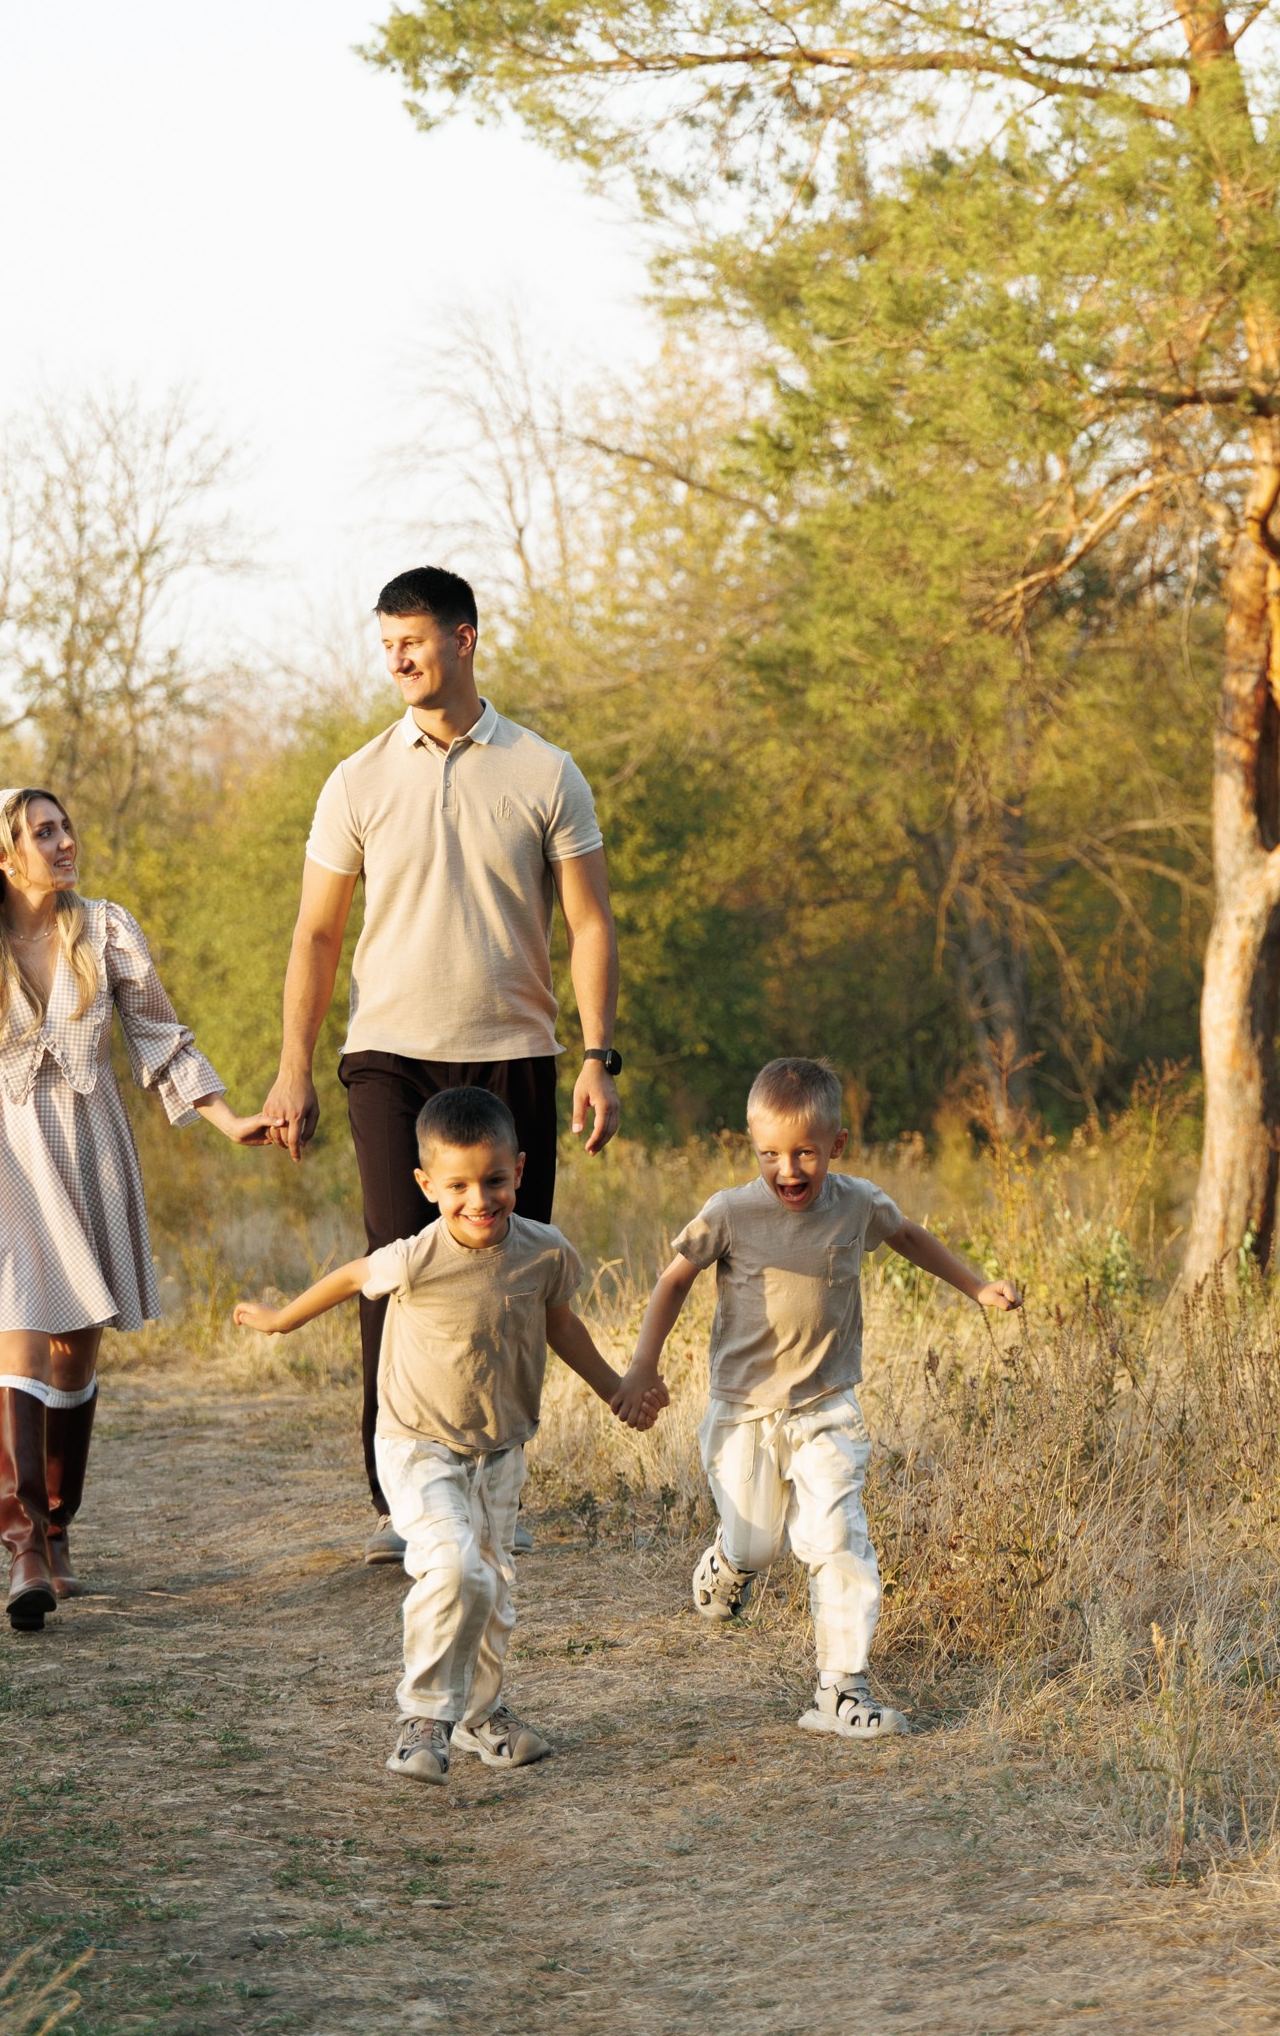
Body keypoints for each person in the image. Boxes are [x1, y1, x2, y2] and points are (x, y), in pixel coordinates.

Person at [256, 565, 623, 1554]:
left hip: (514, 1051)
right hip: (388, 1055)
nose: (398, 660)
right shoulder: (357, 778)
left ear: (465, 637)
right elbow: (316, 935)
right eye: (386, 645)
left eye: (413, 640)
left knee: (509, 1270)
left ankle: (493, 1477)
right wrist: (294, 1067)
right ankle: (399, 1501)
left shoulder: (547, 771)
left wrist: (599, 1055)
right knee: (395, 1265)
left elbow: (589, 923)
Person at [0, 785, 265, 1631]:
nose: (62, 841)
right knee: (17, 1350)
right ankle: (22, 1552)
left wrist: (227, 1120)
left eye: (64, 827)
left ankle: (55, 1525)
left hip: (90, 1149)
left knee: (73, 1357)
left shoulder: (107, 931)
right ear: (2, 858)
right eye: (41, 833)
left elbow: (161, 1038)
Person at [233, 1083, 662, 1781]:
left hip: (500, 1449)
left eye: (494, 1180)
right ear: (426, 1184)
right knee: (454, 1566)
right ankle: (425, 1715)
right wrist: (282, 1320)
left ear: (519, 1171)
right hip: (416, 1443)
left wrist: (614, 1387)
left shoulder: (543, 1253)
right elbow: (349, 1278)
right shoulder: (415, 1257)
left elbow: (560, 1326)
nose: (479, 1200)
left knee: (491, 1584)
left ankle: (480, 1715)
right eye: (458, 1185)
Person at [615, 1055, 1023, 1738]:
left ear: (835, 1144)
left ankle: (840, 1689)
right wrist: (640, 1367)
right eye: (770, 1153)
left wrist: (976, 1287)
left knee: (836, 1538)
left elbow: (908, 1237)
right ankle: (729, 1559)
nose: (789, 1170)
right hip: (743, 1409)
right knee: (756, 1541)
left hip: (827, 1405)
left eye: (805, 1152)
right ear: (751, 1145)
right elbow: (674, 1280)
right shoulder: (731, 1212)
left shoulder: (857, 1202)